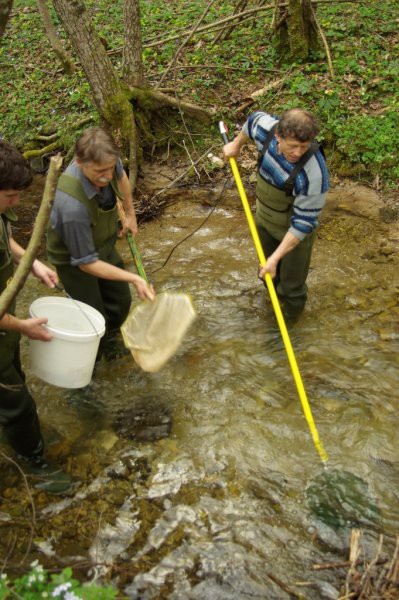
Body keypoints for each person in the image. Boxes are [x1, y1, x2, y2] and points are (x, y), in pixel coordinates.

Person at [0, 141, 72, 494]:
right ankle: (35, 463)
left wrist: (31, 263)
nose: (17, 203)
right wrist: (23, 327)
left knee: (13, 378)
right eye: (12, 196)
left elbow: (6, 238)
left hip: (5, 324)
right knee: (16, 401)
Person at [46, 127, 155, 359]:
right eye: (99, 172)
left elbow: (121, 177)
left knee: (121, 301)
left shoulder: (107, 162)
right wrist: (135, 278)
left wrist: (130, 214)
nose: (106, 176)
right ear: (79, 162)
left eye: (109, 168)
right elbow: (86, 263)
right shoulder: (71, 205)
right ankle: (90, 361)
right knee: (93, 318)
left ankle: (110, 344)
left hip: (102, 244)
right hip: (74, 261)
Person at [223, 108, 329, 321]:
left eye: (304, 146)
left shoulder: (314, 173)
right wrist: (235, 144)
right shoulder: (266, 129)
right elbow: (252, 121)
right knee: (267, 276)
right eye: (293, 146)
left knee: (291, 290)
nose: (298, 153)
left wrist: (276, 257)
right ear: (279, 136)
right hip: (263, 220)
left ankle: (288, 327)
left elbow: (303, 223)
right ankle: (273, 303)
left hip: (293, 233)